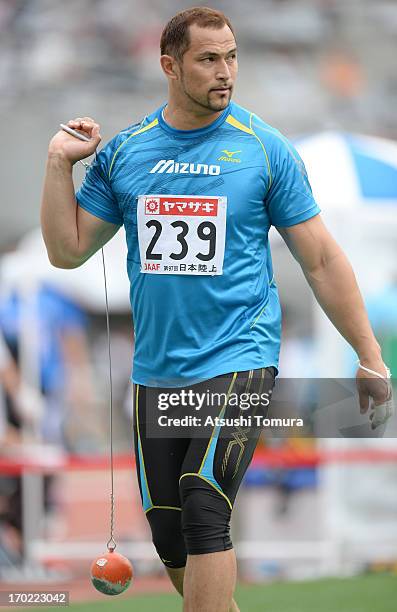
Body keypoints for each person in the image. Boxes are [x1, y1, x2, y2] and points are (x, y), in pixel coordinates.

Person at [40, 7, 393, 611]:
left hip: (241, 356)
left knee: (205, 500)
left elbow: (323, 261)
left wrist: (370, 355)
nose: (225, 71)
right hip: (157, 374)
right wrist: (57, 165)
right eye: (209, 59)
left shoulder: (262, 148)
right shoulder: (127, 153)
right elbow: (67, 250)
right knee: (173, 538)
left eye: (231, 57)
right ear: (169, 66)